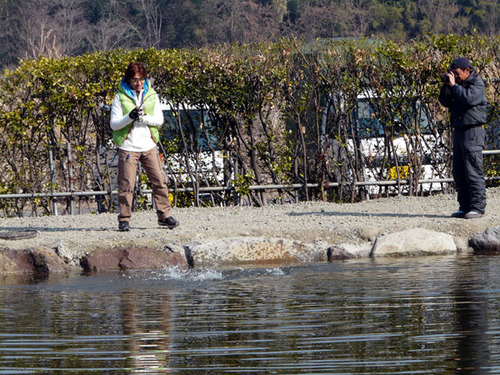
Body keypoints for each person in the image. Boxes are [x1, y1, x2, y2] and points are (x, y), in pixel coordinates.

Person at [110, 62, 179, 231]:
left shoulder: (152, 95)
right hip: (128, 146)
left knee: (160, 181)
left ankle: (164, 215)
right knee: (126, 185)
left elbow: (159, 120)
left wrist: (142, 118)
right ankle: (124, 219)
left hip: (149, 145)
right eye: (134, 80)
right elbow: (114, 124)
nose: (138, 83)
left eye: (141, 79)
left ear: (145, 79)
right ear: (128, 80)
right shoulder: (119, 97)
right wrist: (130, 116)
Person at [439, 57, 488, 219]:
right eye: (453, 74)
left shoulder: (477, 84)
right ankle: (465, 206)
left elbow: (468, 98)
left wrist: (454, 86)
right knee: (459, 172)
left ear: (467, 71)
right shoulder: (457, 85)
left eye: (457, 73)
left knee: (473, 170)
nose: (455, 76)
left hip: (472, 132)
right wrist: (446, 86)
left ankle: (478, 208)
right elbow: (444, 102)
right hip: (459, 131)